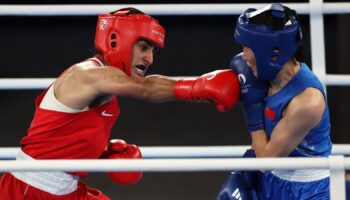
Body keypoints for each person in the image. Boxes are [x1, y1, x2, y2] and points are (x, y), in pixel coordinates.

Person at [0, 7, 241, 200]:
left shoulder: (106, 85)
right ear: (116, 40)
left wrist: (103, 154)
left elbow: (60, 137)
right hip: (28, 191)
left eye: (153, 51)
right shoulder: (88, 74)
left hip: (65, 189)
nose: (150, 58)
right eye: (144, 47)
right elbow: (144, 88)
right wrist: (199, 87)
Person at [217, 3, 332, 200]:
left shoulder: (306, 102)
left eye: (247, 48)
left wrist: (252, 105)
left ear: (271, 53)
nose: (243, 57)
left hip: (306, 190)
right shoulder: (267, 74)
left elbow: (264, 161)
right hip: (272, 177)